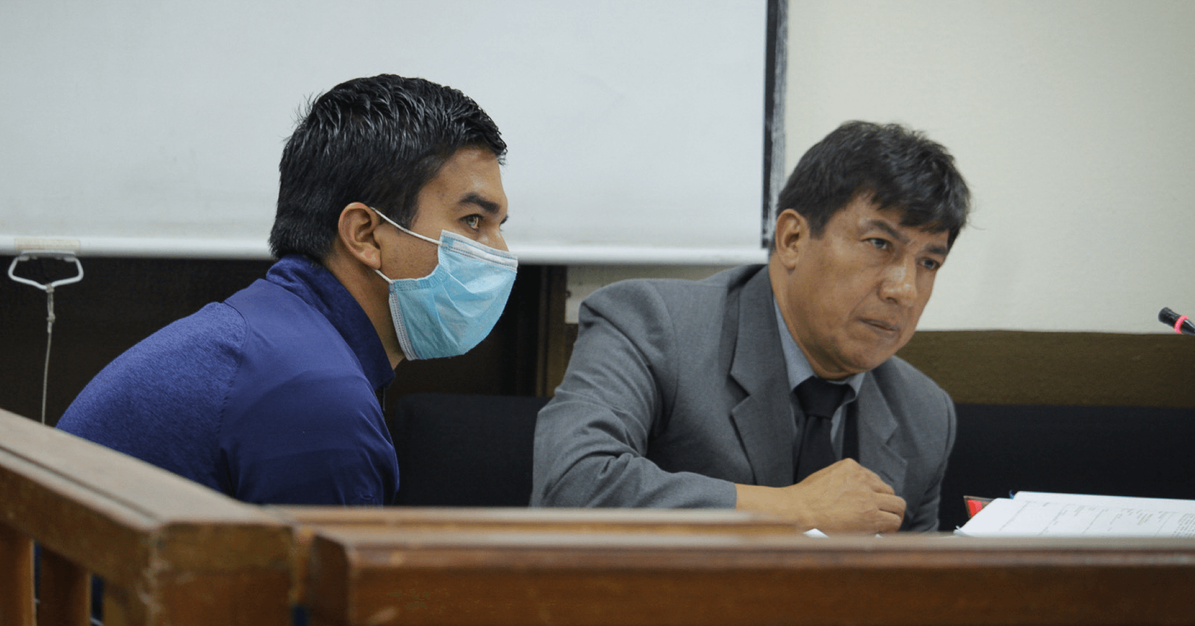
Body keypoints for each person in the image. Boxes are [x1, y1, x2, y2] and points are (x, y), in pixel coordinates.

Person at [57, 74, 515, 506]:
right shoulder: (316, 397)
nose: (499, 252)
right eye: (473, 221)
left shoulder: (270, 333)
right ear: (365, 234)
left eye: (499, 226)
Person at [531, 121, 969, 533]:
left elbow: (911, 579)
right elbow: (571, 483)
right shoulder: (653, 324)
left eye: (929, 262)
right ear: (793, 239)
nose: (904, 289)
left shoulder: (924, 414)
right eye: (879, 244)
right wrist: (796, 509)